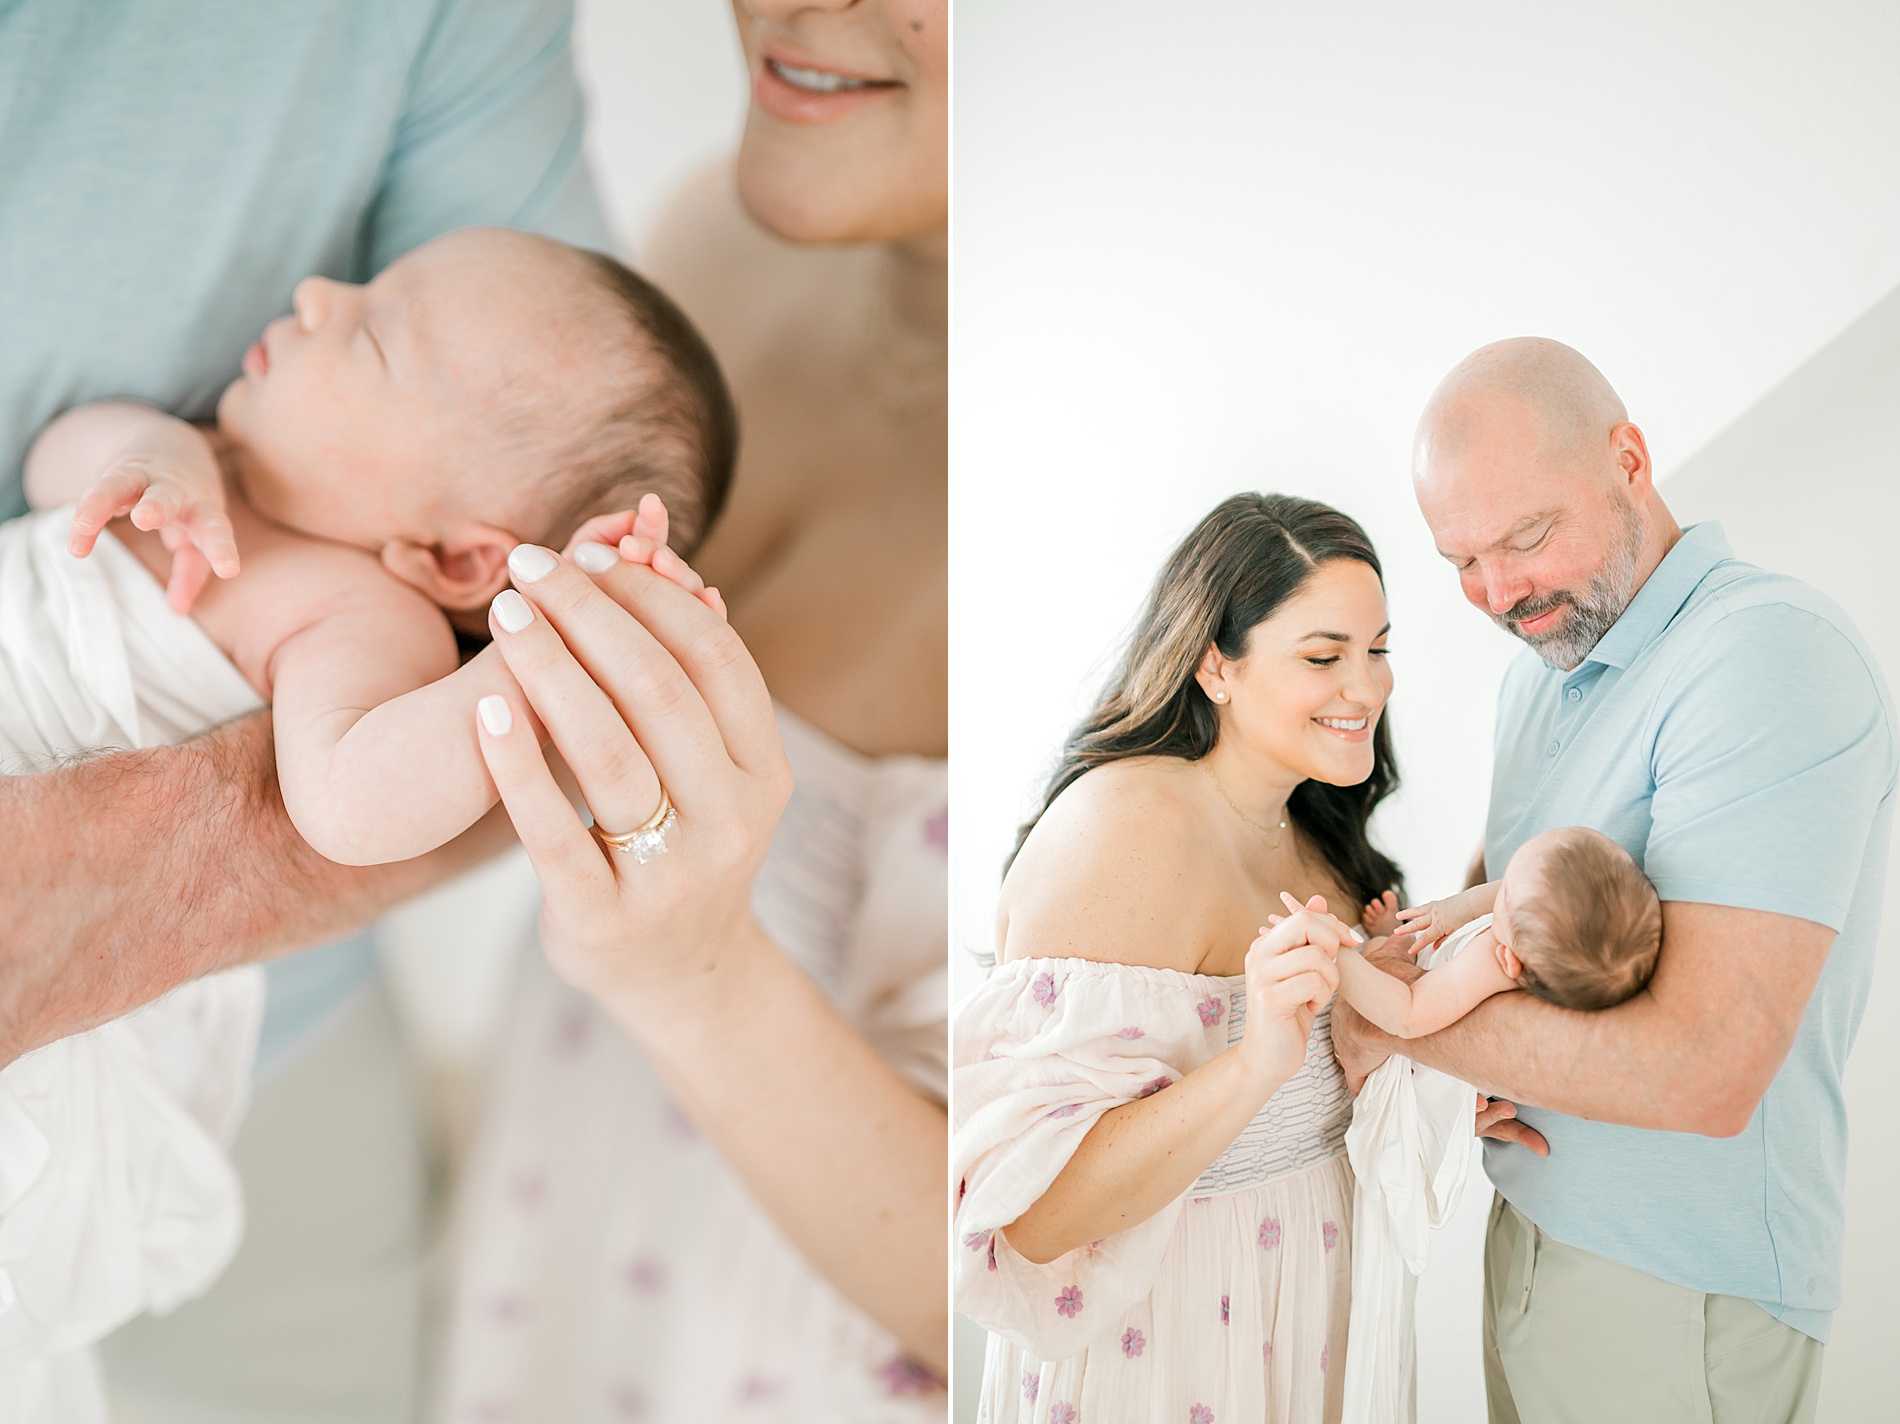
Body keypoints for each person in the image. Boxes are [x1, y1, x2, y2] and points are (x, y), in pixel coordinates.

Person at [0, 3, 611, 1417]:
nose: (328, 294)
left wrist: (522, 669)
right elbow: (55, 468)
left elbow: (345, 801)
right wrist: (139, 451)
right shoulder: (215, 449)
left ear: (459, 559)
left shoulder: (362, 623)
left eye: (378, 340)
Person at [433, 0, 950, 1419]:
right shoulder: (703, 265)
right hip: (552, 1273)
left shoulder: (1145, 511)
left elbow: (1049, 1301)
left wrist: (693, 972)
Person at [1330, 337, 1897, 1423]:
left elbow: (1701, 1069)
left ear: (1628, 458)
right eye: (1460, 562)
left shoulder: (1764, 654)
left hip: (1676, 1291)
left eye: (1526, 537)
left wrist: (1385, 1023)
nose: (1498, 591)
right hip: (1530, 1242)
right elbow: (1509, 924)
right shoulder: (1535, 687)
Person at [954, 493, 1403, 1424]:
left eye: (1379, 648)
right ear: (1215, 665)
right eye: (1323, 656)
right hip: (1168, 1345)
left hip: (1303, 1313)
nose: (1366, 688)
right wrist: (1255, 1064)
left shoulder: (1315, 829)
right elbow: (1031, 1217)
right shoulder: (1130, 829)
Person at [1326, 826, 1664, 1039]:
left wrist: (1336, 956)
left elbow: (1407, 1015)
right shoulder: (1536, 937)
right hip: (1435, 977)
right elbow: (1521, 895)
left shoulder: (1489, 964)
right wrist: (1456, 908)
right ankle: (1394, 938)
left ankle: (1384, 940)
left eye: (1504, 891)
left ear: (1509, 960)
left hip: (1409, 1032)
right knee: (1410, 945)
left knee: (1379, 956)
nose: (1496, 888)